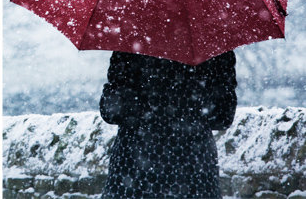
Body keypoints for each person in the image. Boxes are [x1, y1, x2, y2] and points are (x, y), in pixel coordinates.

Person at [99, 51, 237, 198]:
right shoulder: (212, 43)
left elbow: (111, 112)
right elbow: (223, 117)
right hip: (194, 172)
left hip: (134, 172)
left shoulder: (131, 41)